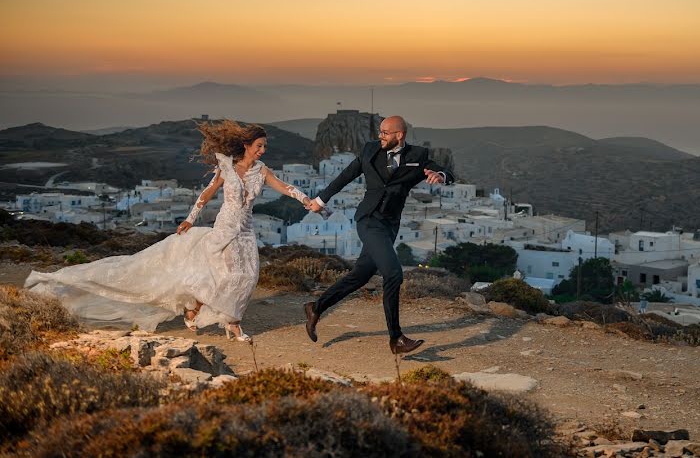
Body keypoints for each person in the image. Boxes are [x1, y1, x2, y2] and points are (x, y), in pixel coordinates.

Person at [24, 120, 311, 342]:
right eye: (259, 145)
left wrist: (306, 200)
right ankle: (233, 325)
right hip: (225, 226)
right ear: (247, 145)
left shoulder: (261, 170)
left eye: (264, 147)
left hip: (246, 229)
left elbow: (284, 187)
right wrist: (190, 219)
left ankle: (195, 310)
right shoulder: (227, 166)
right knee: (228, 274)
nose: (263, 150)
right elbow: (207, 194)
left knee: (247, 276)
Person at [304, 115, 453, 355]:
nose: (380, 136)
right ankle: (396, 339)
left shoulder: (417, 156)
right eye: (380, 132)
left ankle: (316, 307)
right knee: (393, 273)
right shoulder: (370, 150)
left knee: (361, 274)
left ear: (399, 135)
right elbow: (345, 176)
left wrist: (440, 176)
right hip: (368, 219)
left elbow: (442, 169)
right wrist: (320, 200)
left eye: (385, 132)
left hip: (390, 225)